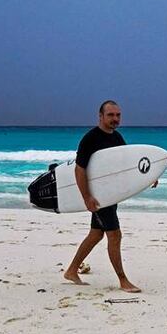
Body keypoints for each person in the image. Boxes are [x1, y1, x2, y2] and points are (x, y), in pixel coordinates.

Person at [62, 99, 147, 292]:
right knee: (114, 235)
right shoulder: (90, 139)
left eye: (118, 115)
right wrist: (87, 197)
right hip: (99, 197)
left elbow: (127, 165)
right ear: (100, 116)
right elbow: (79, 169)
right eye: (110, 115)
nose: (115, 119)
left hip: (111, 194)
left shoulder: (117, 138)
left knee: (96, 234)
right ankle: (123, 280)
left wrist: (147, 178)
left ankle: (72, 270)